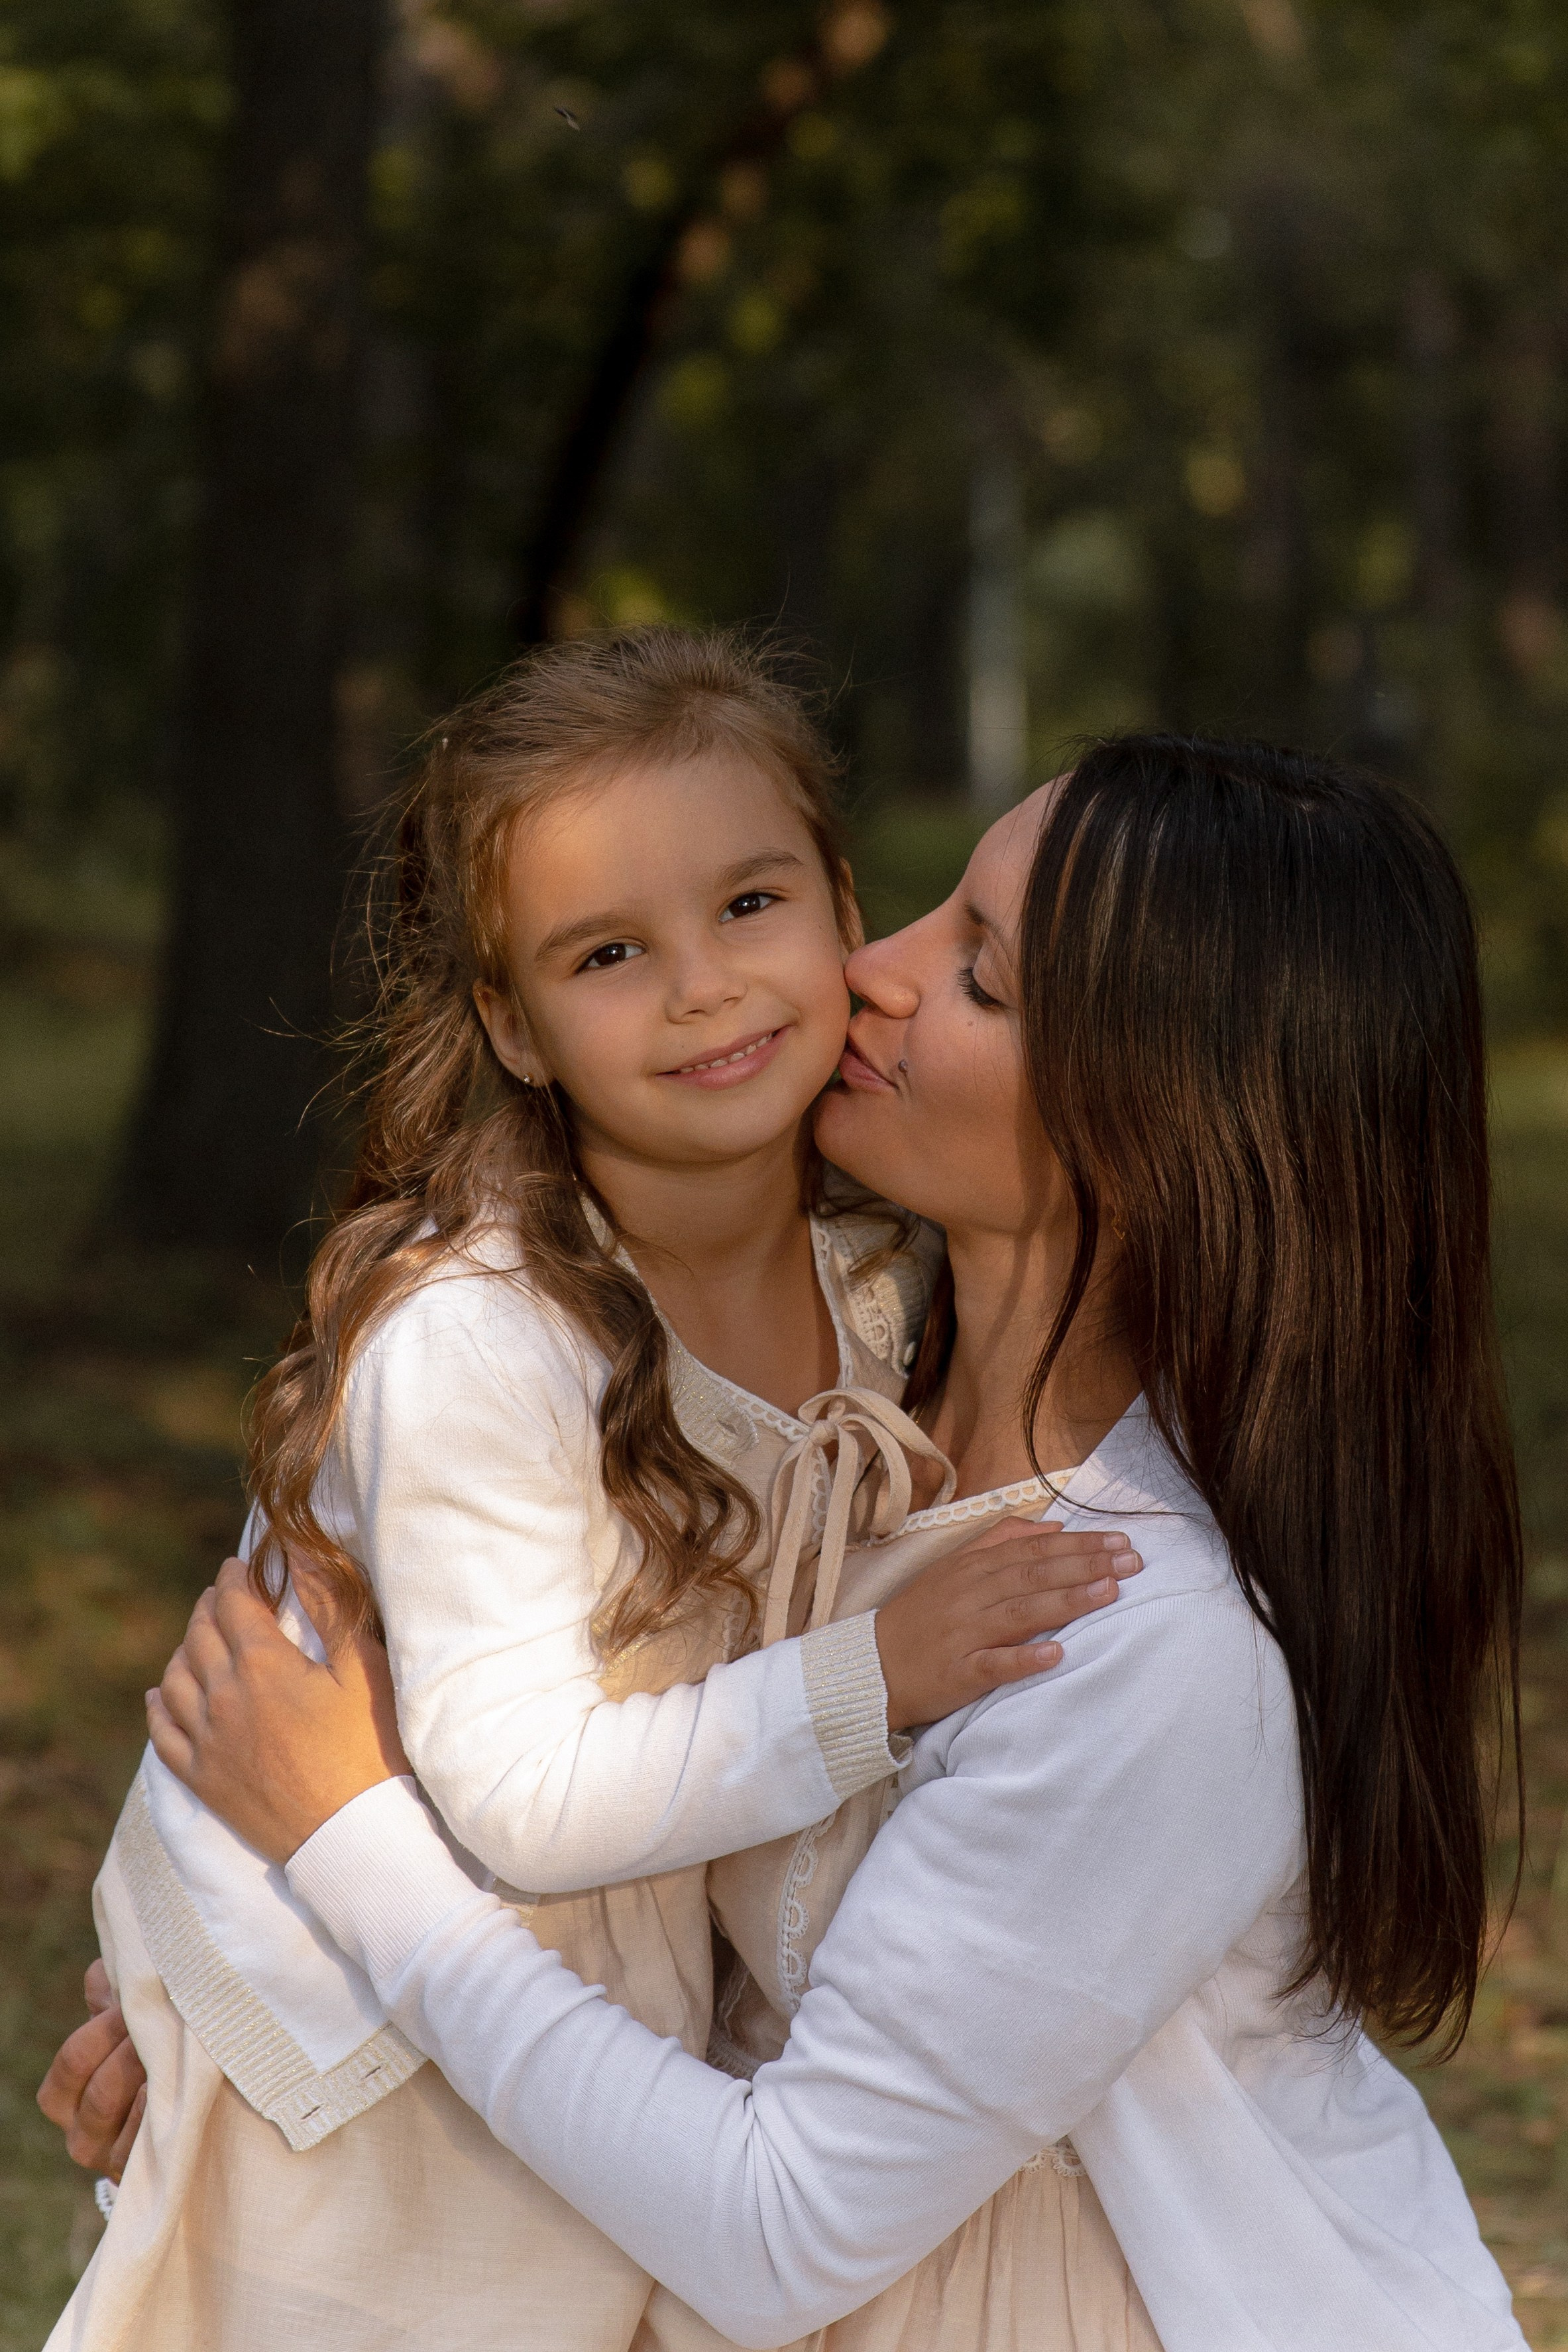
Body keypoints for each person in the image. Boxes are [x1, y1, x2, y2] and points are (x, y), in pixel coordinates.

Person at [133, 734, 1527, 2351]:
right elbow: (468, 1662)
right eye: (934, 911)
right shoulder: (841, 1362)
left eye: (980, 978)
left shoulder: (1147, 1640)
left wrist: (345, 1849)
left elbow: (778, 2229)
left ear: (1162, 1132)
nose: (869, 970)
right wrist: (239, 2003)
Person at [40, 628, 1130, 2352]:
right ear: (514, 1024)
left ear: (843, 900)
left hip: (577, 1969)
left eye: (750, 903)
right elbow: (523, 1788)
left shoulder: (877, 1272)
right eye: (608, 949)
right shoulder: (481, 1339)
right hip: (374, 2010)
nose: (702, 984)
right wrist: (883, 1667)